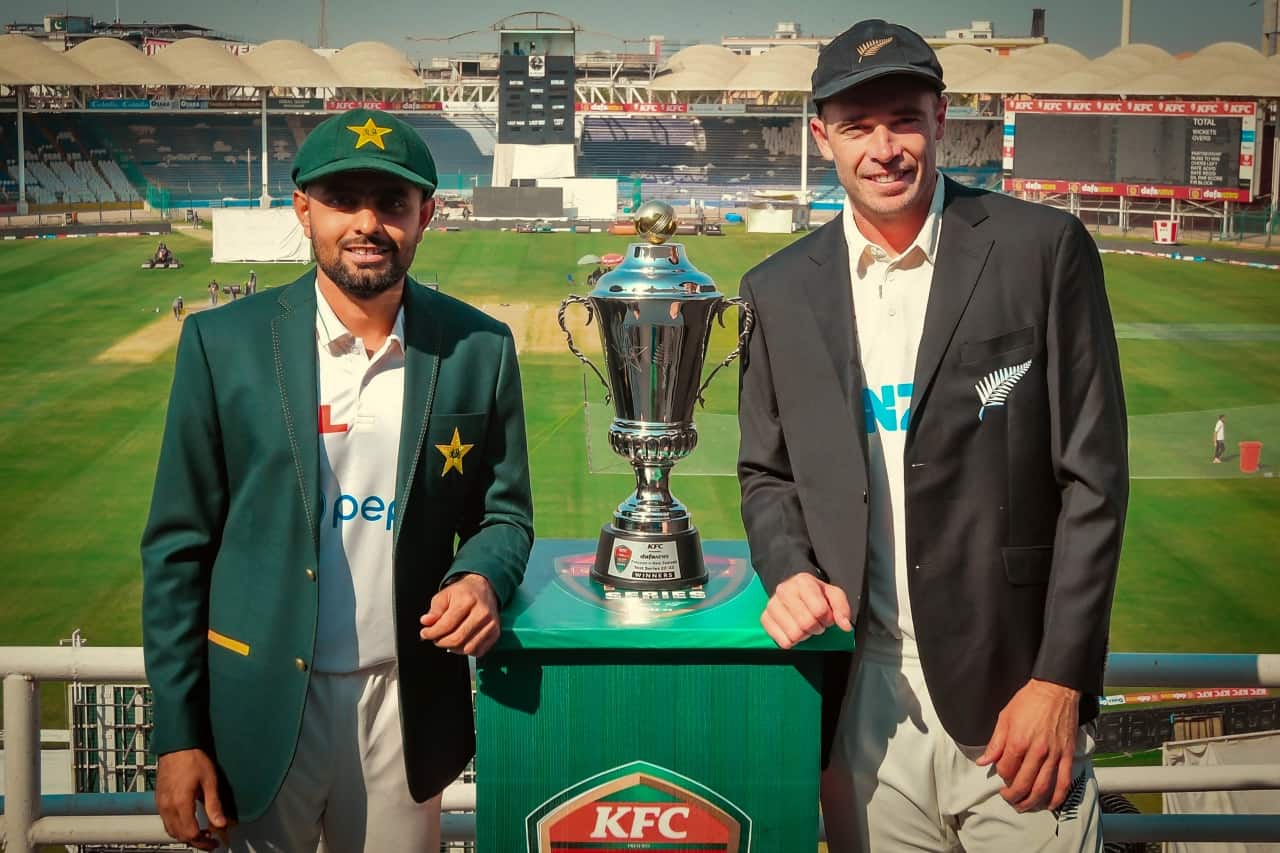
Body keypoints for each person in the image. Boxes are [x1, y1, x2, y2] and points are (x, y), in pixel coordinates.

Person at [735, 19, 1128, 852]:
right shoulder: (775, 289)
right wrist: (788, 567)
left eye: (904, 119)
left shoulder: (1043, 251)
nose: (884, 147)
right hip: (858, 704)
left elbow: (1093, 480)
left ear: (941, 119)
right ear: (822, 137)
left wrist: (1061, 678)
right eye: (856, 126)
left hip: (1016, 704)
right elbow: (766, 473)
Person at [141, 108, 535, 852]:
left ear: (426, 214)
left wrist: (481, 577)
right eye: (342, 199)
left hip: (404, 701)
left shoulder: (480, 346)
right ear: (303, 208)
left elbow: (505, 515)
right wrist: (177, 734)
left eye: (390, 203)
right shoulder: (221, 343)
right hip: (256, 706)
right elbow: (175, 550)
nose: (367, 223)